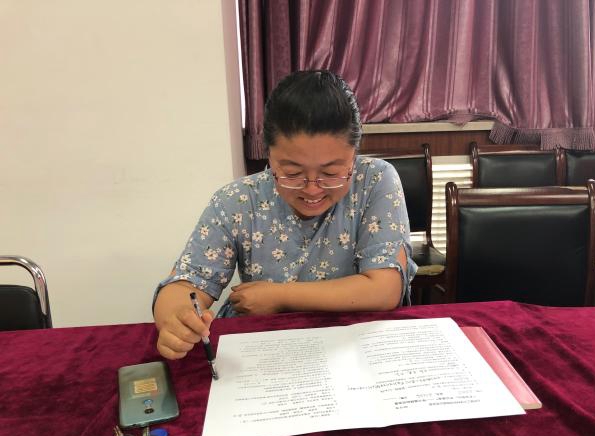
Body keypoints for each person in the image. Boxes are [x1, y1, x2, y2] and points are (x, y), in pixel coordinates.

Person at [153, 70, 417, 360]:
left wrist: (278, 296)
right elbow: (187, 282)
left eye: (331, 173)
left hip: (353, 350)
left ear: (354, 155)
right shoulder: (238, 200)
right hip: (264, 352)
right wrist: (176, 319)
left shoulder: (375, 181)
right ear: (269, 154)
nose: (312, 189)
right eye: (292, 173)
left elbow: (384, 289)